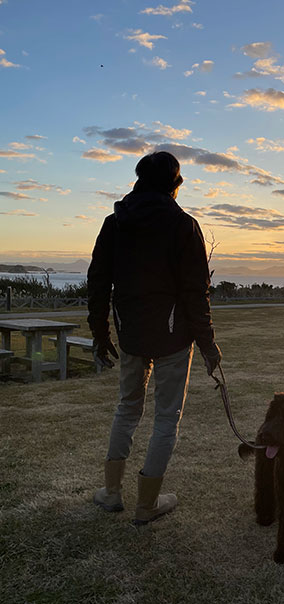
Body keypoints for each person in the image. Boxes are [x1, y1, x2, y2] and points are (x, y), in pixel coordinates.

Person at [87, 151, 221, 525]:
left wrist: (100, 334)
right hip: (174, 339)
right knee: (166, 417)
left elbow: (98, 284)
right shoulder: (184, 226)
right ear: (174, 186)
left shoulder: (114, 224)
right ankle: (146, 505)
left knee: (127, 409)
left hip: (131, 335)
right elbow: (196, 291)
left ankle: (112, 494)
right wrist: (208, 344)